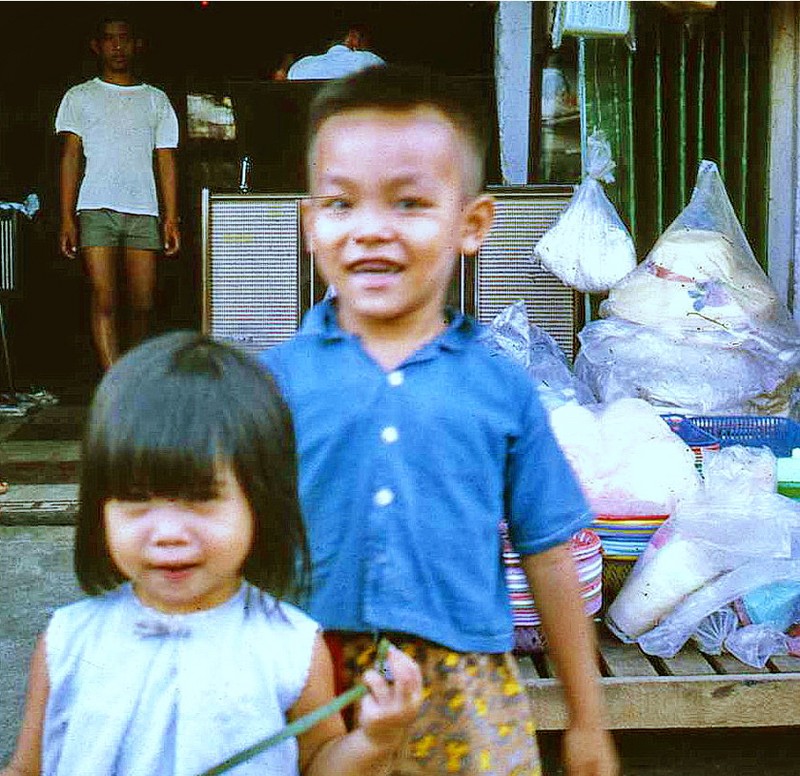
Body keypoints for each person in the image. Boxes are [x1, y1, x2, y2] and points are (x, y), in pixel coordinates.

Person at [260, 65, 620, 775]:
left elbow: (549, 551)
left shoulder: (500, 389)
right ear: (309, 224)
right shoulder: (272, 383)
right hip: (310, 687)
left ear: (472, 225)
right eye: (340, 203)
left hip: (465, 690)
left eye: (409, 203)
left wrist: (586, 718)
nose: (371, 231)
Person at [0, 331, 423, 776]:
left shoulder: (290, 646)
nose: (167, 533)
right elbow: (27, 768)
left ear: (260, 503)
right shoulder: (68, 641)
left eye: (200, 499)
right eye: (136, 500)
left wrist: (375, 738)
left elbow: (320, 763)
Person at [55, 15, 180, 372]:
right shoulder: (79, 96)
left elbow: (167, 160)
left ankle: (133, 376)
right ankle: (114, 380)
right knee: (105, 299)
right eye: (109, 39)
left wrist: (171, 217)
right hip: (95, 207)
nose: (117, 46)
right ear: (97, 46)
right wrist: (66, 218)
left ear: (137, 44)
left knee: (143, 302)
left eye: (124, 39)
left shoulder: (156, 99)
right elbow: (70, 158)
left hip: (144, 209)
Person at [287, 25, 385, 81]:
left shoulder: (299, 66)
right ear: (354, 37)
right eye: (366, 40)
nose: (367, 46)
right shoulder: (369, 60)